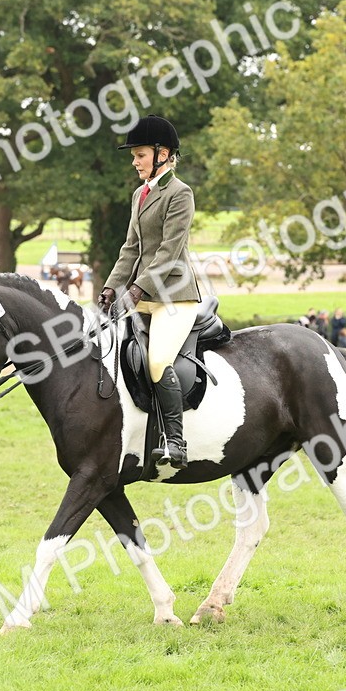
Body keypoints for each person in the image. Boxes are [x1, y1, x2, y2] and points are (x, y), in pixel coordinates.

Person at [99, 114, 200, 470]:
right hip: (141, 298)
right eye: (135, 155)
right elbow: (131, 249)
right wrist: (112, 287)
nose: (135, 161)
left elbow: (169, 253)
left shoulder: (180, 193)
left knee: (158, 360)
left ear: (163, 153)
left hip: (175, 297)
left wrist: (138, 288)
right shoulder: (139, 195)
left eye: (140, 154)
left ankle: (176, 442)